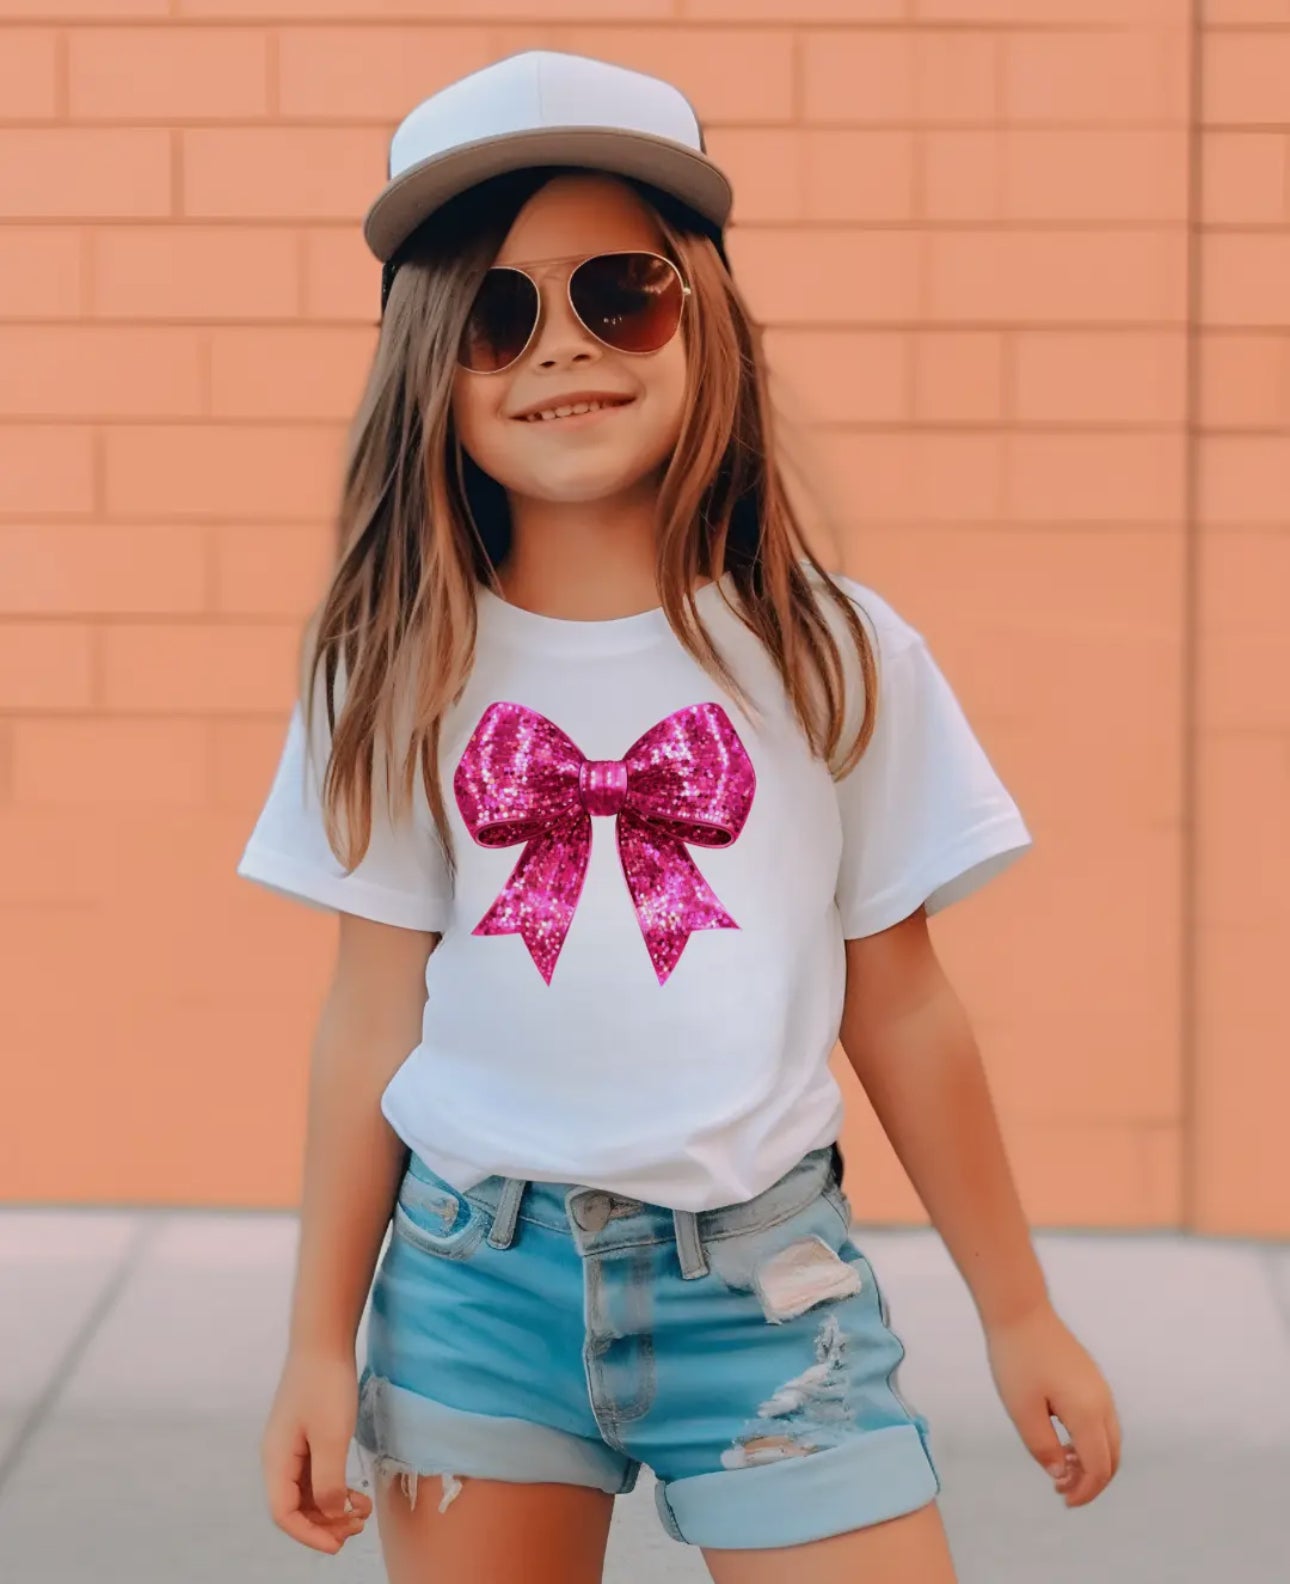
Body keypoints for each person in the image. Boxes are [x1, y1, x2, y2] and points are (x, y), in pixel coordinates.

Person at [237, 49, 1121, 1584]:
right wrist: (317, 1344)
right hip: (472, 1291)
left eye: (618, 292)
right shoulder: (386, 665)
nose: (561, 348)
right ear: (427, 367)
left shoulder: (830, 652)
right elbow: (370, 1011)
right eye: (497, 315)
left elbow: (901, 1005)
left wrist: (1018, 1308)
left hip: (770, 1293)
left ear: (703, 311)